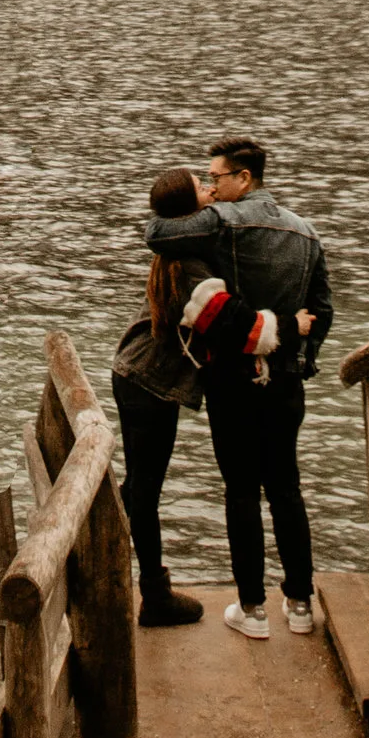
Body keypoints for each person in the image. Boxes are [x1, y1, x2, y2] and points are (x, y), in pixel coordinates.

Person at [143, 134, 333, 641]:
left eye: (217, 178)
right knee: (288, 489)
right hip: (286, 379)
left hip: (232, 377)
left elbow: (157, 234)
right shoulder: (308, 232)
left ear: (243, 178)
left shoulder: (224, 221)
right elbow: (324, 309)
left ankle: (251, 610)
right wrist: (301, 356)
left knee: (242, 492)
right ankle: (299, 603)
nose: (211, 186)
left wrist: (184, 205)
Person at [109, 168, 209, 626]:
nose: (210, 188)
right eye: (201, 185)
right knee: (145, 489)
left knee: (138, 485)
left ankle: (112, 564)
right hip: (148, 380)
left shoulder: (176, 248)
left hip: (133, 368)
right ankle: (155, 596)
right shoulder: (191, 261)